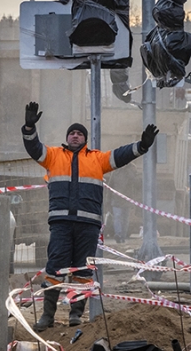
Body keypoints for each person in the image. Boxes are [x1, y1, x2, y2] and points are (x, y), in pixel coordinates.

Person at [22, 102, 157, 331]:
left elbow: (121, 155)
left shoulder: (97, 159)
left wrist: (142, 146)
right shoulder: (53, 156)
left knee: (83, 272)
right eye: (72, 133)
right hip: (61, 223)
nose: (75, 136)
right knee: (55, 269)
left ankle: (76, 315)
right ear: (68, 138)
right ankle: (47, 317)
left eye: (79, 133)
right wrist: (28, 127)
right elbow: (34, 148)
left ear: (85, 139)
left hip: (88, 225)